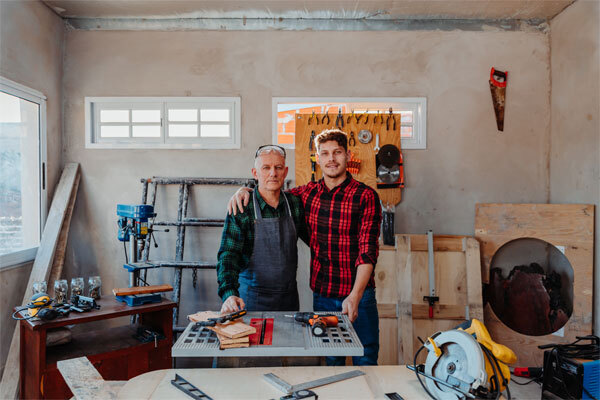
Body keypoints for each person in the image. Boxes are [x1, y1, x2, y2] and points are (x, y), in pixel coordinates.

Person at [228, 129, 382, 365]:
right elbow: (270, 190)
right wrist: (245, 190)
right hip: (323, 296)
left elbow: (367, 251)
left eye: (337, 152)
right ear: (317, 159)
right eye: (325, 153)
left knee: (366, 356)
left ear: (348, 155)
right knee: (331, 359)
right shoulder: (306, 195)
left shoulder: (365, 196)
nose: (331, 159)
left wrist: (356, 295)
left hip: (359, 294)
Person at [216, 145, 307, 314]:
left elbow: (315, 240)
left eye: (278, 167)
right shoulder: (242, 207)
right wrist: (228, 293)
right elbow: (228, 255)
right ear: (255, 173)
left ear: (285, 172)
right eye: (266, 168)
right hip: (251, 300)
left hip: (289, 300)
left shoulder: (295, 204)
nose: (273, 173)